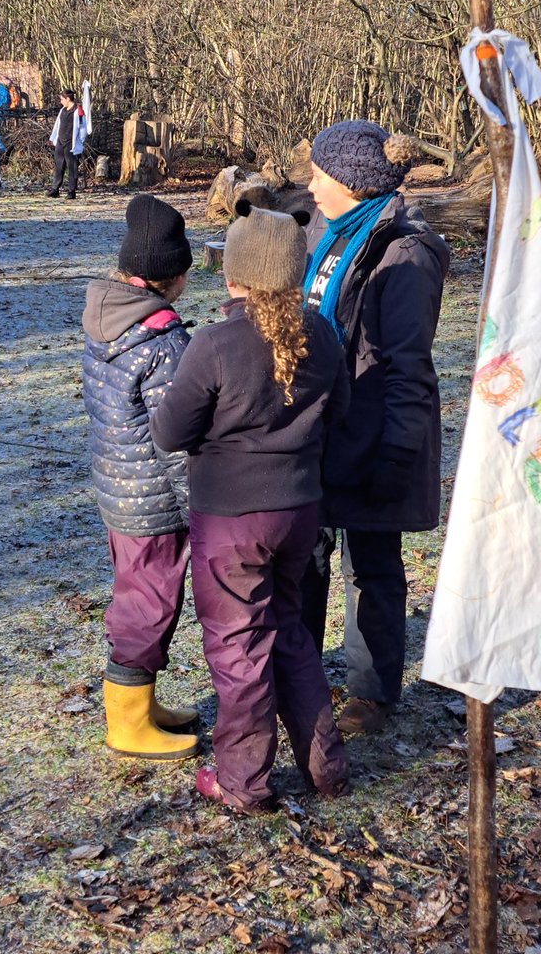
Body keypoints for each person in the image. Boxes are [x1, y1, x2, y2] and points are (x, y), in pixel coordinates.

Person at [151, 201, 350, 813]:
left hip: (230, 522)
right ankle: (327, 767)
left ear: (233, 277)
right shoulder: (321, 333)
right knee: (289, 634)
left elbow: (168, 432)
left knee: (240, 651)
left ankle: (243, 779)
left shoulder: (212, 344)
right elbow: (338, 417)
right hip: (299, 513)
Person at [299, 120, 450, 736]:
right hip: (320, 429)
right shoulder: (325, 235)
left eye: (318, 174)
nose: (309, 185)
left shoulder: (407, 255)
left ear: (350, 182)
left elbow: (408, 369)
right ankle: (302, 674)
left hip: (374, 433)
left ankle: (372, 691)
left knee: (371, 564)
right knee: (305, 557)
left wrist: (395, 455)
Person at [82, 194, 197, 760]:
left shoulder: (106, 321)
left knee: (138, 594)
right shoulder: (164, 344)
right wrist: (200, 507)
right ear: (173, 277)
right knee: (149, 604)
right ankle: (126, 722)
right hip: (152, 503)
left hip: (118, 492)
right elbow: (176, 442)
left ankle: (141, 702)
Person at [48, 90, 87, 199]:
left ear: (68, 99)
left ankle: (71, 191)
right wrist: (55, 138)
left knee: (72, 167)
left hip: (71, 143)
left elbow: (83, 128)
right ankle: (55, 189)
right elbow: (58, 125)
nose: (61, 102)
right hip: (61, 141)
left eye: (62, 99)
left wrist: (80, 141)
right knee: (59, 166)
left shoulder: (78, 111)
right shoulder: (62, 110)